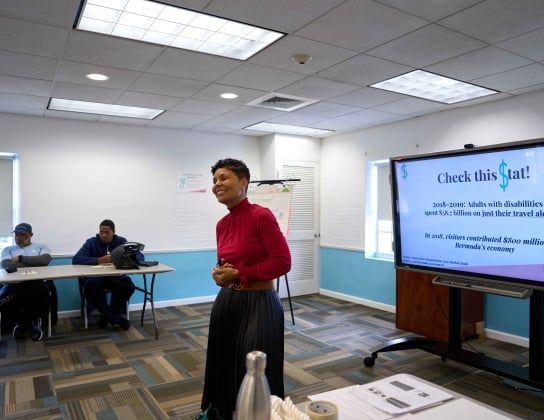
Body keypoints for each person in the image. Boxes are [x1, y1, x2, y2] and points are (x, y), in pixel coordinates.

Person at [200, 158, 291, 420]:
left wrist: (240, 273)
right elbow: (226, 264)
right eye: (215, 180)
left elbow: (282, 262)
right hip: (227, 302)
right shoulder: (222, 224)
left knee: (254, 368)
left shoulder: (261, 215)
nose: (217, 184)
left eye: (223, 178)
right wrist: (221, 275)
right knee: (223, 363)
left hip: (259, 304)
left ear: (243, 182)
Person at [72, 219, 142, 330]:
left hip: (115, 277)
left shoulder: (121, 241)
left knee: (128, 285)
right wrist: (99, 260)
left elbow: (140, 257)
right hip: (96, 278)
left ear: (113, 232)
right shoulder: (91, 242)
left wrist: (131, 258)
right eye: (101, 232)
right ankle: (118, 319)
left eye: (106, 232)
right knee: (90, 286)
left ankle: (107, 317)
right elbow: (76, 259)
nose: (103, 235)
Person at [0, 222, 58, 341]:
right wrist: (34, 262)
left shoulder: (42, 246)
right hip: (16, 284)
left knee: (41, 289)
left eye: (22, 235)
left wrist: (21, 259)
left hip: (38, 283)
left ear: (31, 235)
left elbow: (45, 260)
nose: (18, 238)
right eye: (16, 234)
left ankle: (24, 323)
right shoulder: (8, 249)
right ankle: (31, 322)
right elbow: (6, 264)